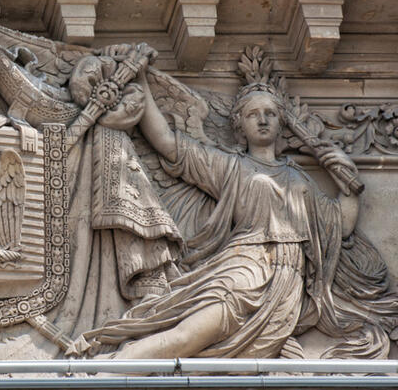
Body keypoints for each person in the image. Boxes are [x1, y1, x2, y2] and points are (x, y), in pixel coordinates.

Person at [68, 53, 360, 359]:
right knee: (189, 334)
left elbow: (339, 224)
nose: (262, 120)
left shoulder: (298, 178)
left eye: (270, 113)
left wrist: (347, 179)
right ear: (239, 126)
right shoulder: (232, 167)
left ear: (282, 123)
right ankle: (110, 367)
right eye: (253, 114)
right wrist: (142, 83)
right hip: (247, 267)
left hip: (288, 283)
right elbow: (169, 144)